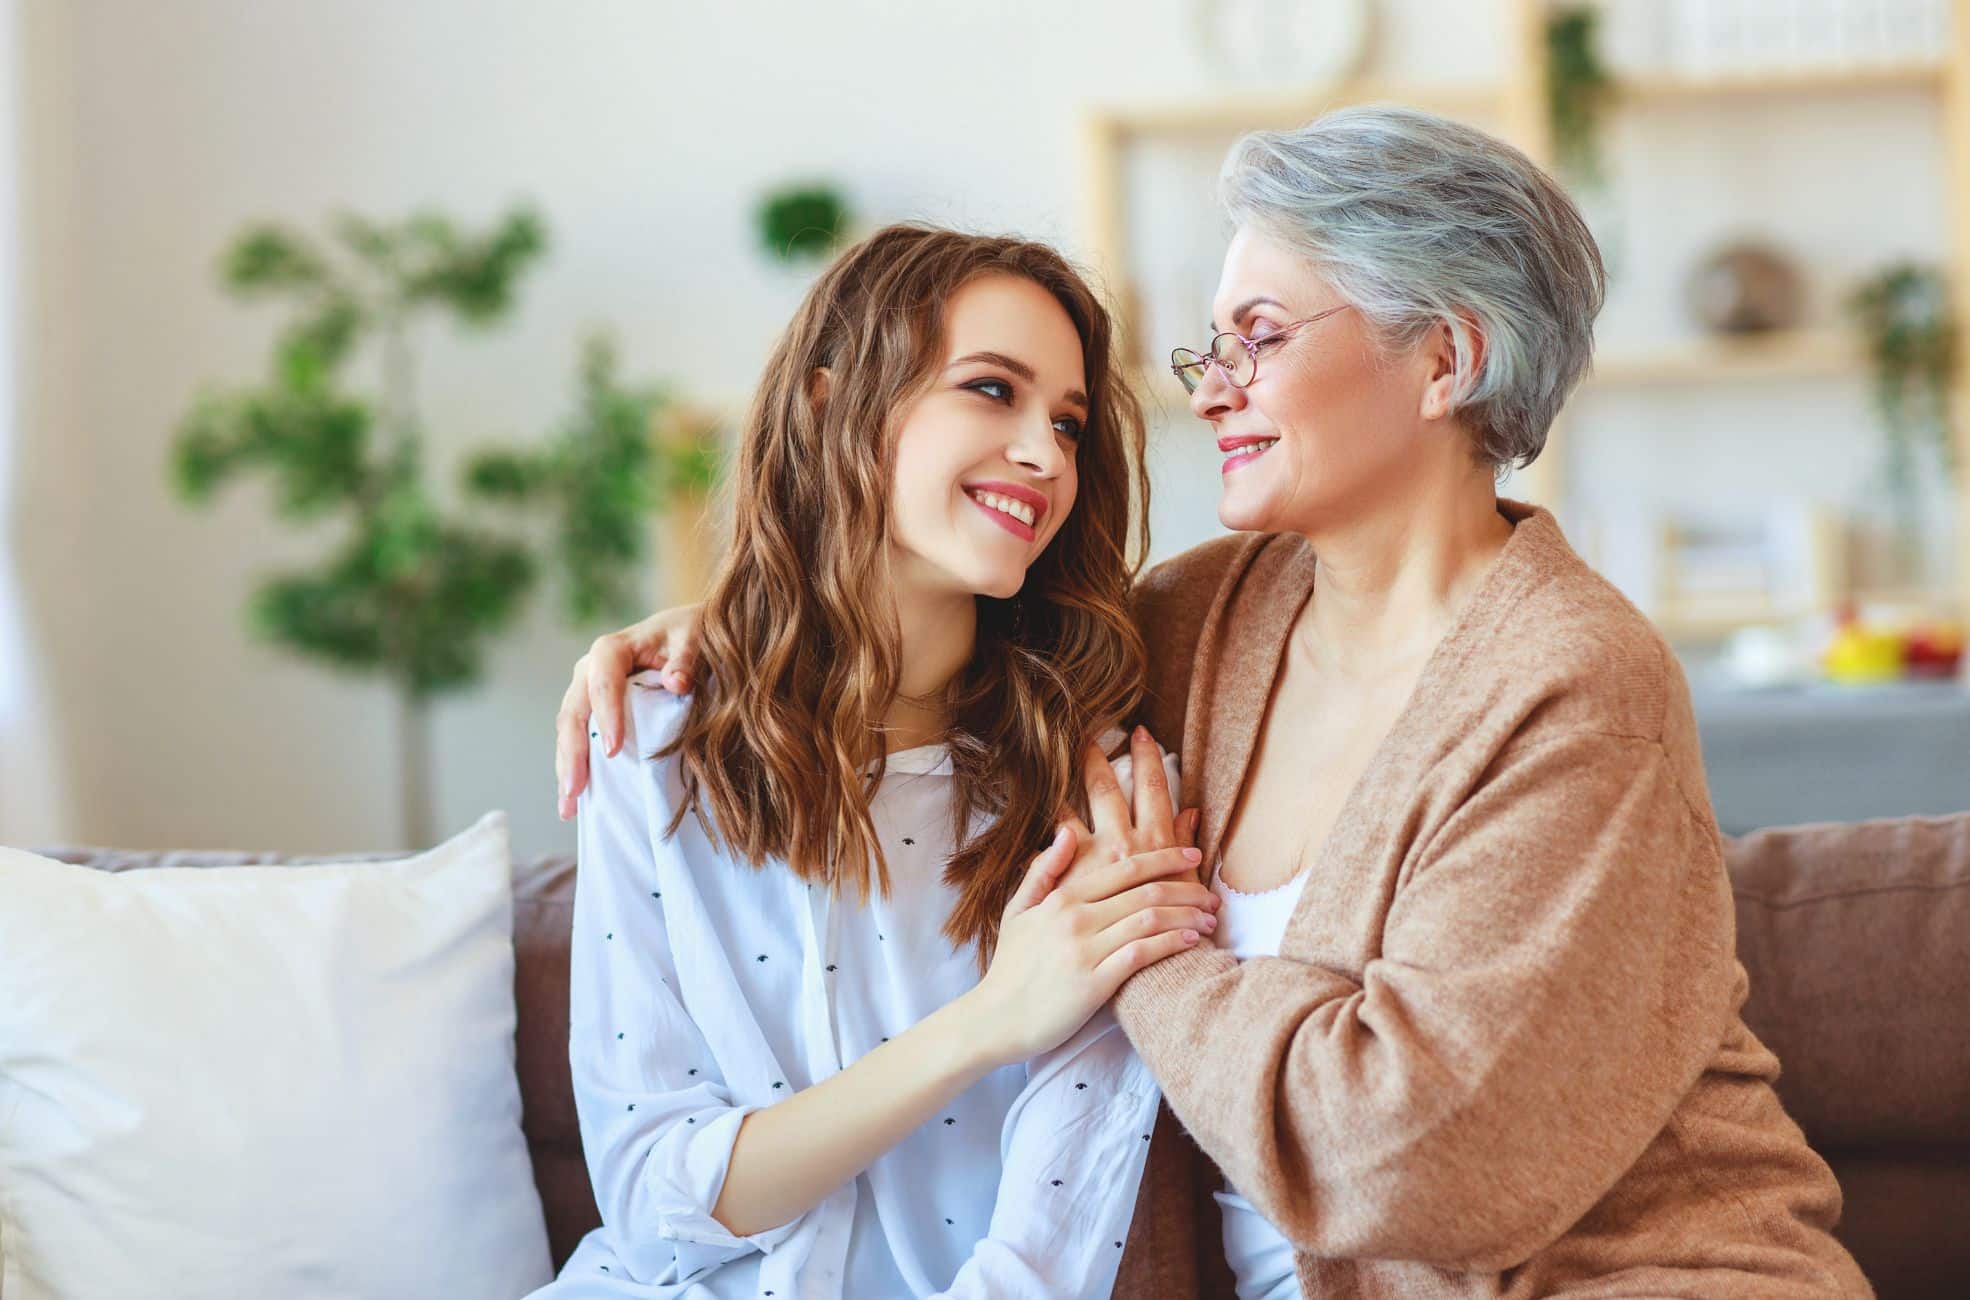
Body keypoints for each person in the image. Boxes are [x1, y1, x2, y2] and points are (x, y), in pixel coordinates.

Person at [556, 108, 1870, 1297]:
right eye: (1207, 343)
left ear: (1444, 359)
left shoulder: (1571, 683)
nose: (1209, 386)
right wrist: (712, 642)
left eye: (1257, 335)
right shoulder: (1194, 624)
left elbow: (1417, 1164)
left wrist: (1150, 960)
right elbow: (932, 616)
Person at [530, 224, 1220, 1300]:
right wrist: (988, 1021)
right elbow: (657, 1209)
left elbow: (1051, 1254)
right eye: (991, 390)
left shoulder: (1098, 794)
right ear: (825, 403)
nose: (1044, 454)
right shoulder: (651, 746)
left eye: (1069, 423)